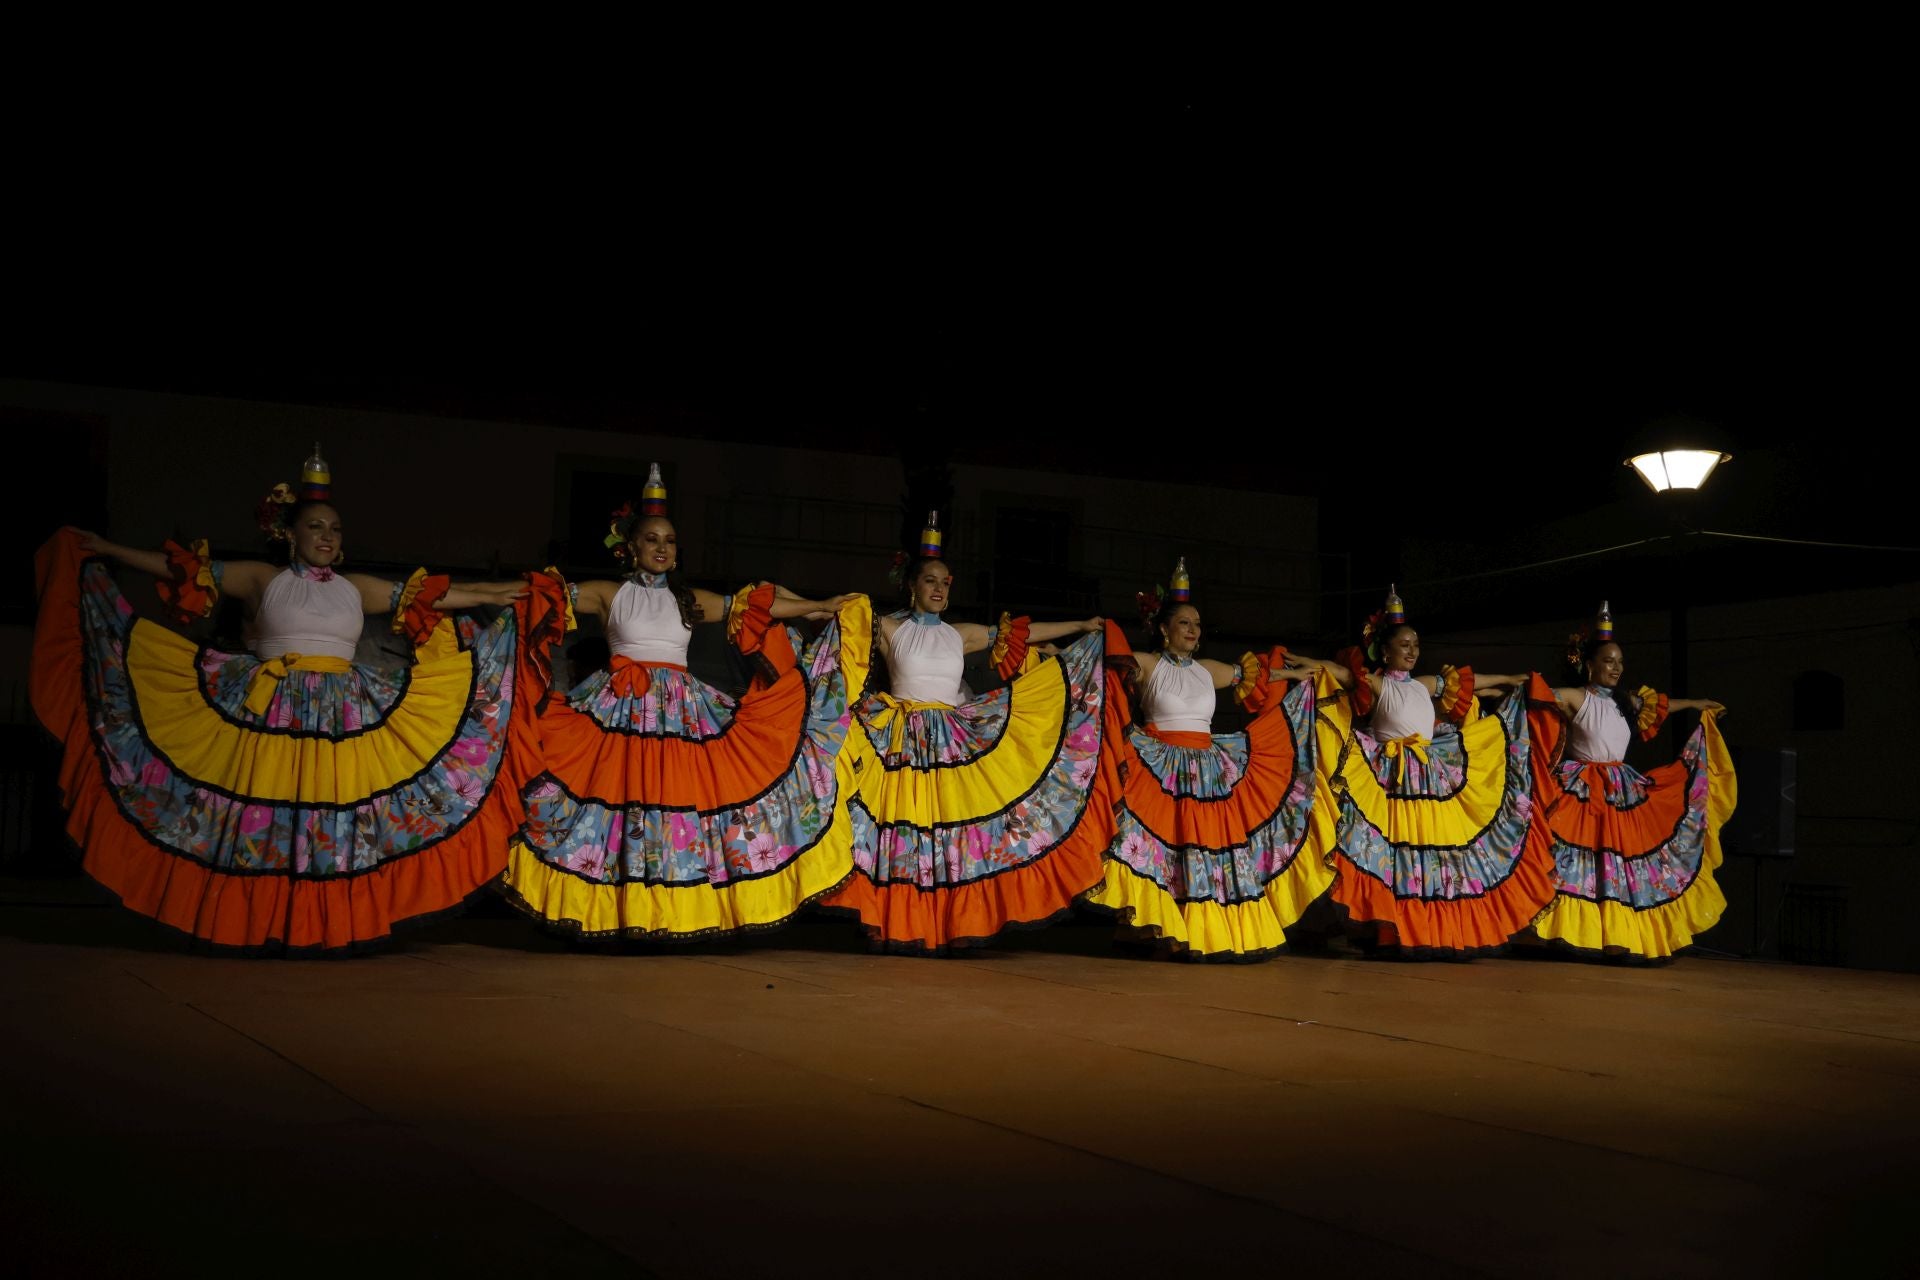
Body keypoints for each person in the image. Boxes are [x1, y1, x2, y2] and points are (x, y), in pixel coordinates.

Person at [30, 447, 531, 952]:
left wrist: (493, 592)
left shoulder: (355, 588)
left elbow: (433, 597)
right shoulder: (263, 579)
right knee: (266, 814)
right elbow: (176, 570)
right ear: (291, 533)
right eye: (316, 526)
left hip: (342, 714)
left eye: (334, 529)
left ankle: (327, 925)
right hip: (270, 709)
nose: (327, 536)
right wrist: (109, 550)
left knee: (330, 814)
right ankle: (253, 922)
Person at [502, 466, 870, 939]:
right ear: (631, 547)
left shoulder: (688, 601)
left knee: (676, 803)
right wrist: (490, 595)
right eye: (652, 539)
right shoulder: (609, 594)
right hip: (618, 710)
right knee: (620, 804)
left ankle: (673, 915)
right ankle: (619, 911)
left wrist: (821, 607)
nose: (662, 547)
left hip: (682, 711)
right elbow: (543, 601)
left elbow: (756, 602)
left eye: (670, 541)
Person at [817, 512, 1107, 953]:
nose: (939, 588)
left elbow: (1021, 636)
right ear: (912, 586)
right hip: (904, 738)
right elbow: (844, 620)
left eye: (945, 582)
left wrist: (1081, 626)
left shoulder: (961, 635)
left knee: (950, 830)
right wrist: (804, 605)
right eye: (930, 580)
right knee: (905, 830)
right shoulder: (892, 628)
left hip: (951, 738)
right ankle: (894, 919)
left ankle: (953, 921)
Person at [1078, 564, 1338, 960]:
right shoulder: (1148, 663)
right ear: (1164, 629)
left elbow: (1271, 676)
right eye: (1184, 622)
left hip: (1207, 768)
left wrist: (1308, 673)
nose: (1193, 629)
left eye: (1197, 623)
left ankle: (1206, 928)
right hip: (1158, 765)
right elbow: (1105, 663)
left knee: (1202, 850)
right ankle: (1144, 926)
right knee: (1157, 848)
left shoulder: (1210, 670)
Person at [1301, 588, 1552, 956]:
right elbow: (1338, 673)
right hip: (1392, 779)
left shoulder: (1424, 684)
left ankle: (1437, 929)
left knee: (1436, 853)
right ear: (1385, 651)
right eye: (1404, 644)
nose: (1413, 650)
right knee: (1398, 855)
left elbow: (1475, 681)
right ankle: (1393, 930)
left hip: (1432, 777)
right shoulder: (1379, 683)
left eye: (1416, 644)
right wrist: (1301, 665)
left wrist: (1512, 680)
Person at [1517, 609, 1734, 959]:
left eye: (1620, 662)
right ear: (1590, 665)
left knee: (1617, 862)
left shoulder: (1625, 703)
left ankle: (1617, 934)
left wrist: (1696, 703)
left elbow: (1662, 706)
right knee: (1575, 858)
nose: (1616, 668)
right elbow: (1539, 694)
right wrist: (1511, 682)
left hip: (1620, 788)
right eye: (1608, 661)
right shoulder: (1577, 697)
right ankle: (1566, 930)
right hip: (1581, 787)